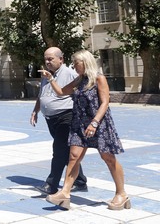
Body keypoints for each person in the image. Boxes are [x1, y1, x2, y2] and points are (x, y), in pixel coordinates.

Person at [43, 49, 128, 211]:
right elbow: (62, 92)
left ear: (86, 62)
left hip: (99, 124)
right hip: (79, 124)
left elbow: (105, 102)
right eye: (74, 63)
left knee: (108, 158)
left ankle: (121, 194)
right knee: (74, 156)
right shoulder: (79, 80)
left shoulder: (98, 78)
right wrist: (51, 79)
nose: (74, 65)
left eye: (77, 63)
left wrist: (95, 122)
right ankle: (65, 193)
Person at [30, 47, 87, 195]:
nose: (47, 62)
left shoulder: (70, 73)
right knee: (66, 151)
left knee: (59, 150)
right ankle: (80, 181)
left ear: (61, 59)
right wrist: (36, 110)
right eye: (46, 59)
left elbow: (78, 92)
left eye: (51, 59)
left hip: (65, 116)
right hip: (51, 118)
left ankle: (51, 184)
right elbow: (41, 94)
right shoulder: (46, 74)